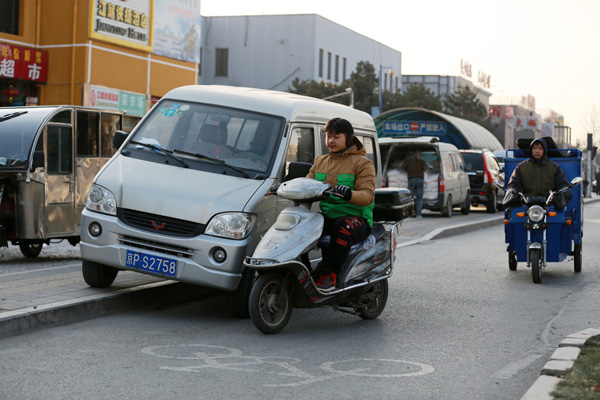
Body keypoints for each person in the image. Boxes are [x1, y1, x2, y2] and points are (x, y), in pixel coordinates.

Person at [306, 117, 376, 289]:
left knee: (341, 226)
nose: (331, 141)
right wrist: (284, 186)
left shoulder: (363, 163)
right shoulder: (319, 162)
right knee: (301, 224)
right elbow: (306, 184)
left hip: (355, 218)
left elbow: (368, 195)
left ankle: (330, 274)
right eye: (328, 136)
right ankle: (304, 271)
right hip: (329, 216)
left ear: (349, 138)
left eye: (336, 137)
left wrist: (349, 194)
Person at [506, 137, 570, 206]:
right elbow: (513, 184)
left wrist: (563, 193)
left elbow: (563, 185)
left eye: (540, 148)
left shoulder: (554, 167)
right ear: (531, 150)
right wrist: (513, 192)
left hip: (549, 206)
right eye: (534, 148)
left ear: (544, 150)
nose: (537, 151)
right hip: (527, 206)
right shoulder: (521, 167)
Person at [402, 150, 427, 217]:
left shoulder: (408, 160)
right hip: (420, 179)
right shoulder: (421, 160)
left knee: (409, 198)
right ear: (419, 154)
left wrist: (408, 169)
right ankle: (418, 214)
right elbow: (426, 168)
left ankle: (409, 214)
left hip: (411, 179)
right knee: (419, 198)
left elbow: (402, 167)